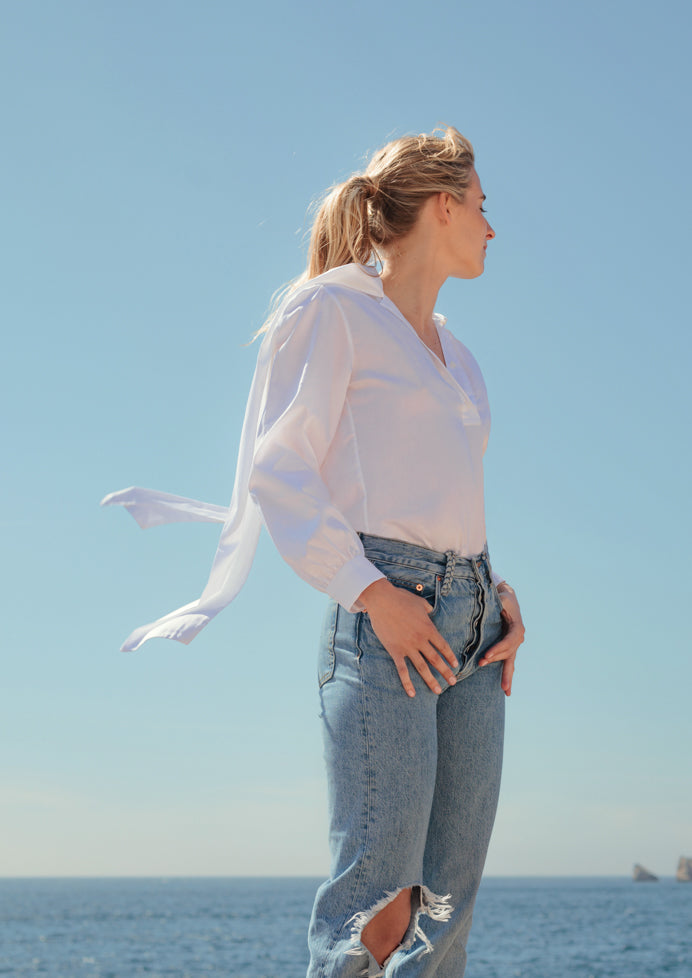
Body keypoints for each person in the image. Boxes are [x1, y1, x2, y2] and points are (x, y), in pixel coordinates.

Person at [103, 126, 525, 977]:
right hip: (387, 612)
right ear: (444, 205)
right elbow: (281, 470)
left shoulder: (462, 358)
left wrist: (500, 596)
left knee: (444, 908)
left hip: (476, 626)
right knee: (378, 905)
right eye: (483, 208)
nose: (491, 227)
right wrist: (373, 594)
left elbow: (444, 490)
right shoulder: (332, 310)